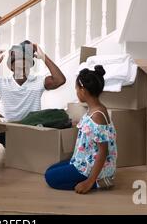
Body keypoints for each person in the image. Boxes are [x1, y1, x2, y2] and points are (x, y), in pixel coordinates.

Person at [0, 40, 66, 147]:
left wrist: (43, 57)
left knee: (57, 119)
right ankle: (20, 147)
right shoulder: (2, 83)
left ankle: (22, 147)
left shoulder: (38, 81)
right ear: (11, 67)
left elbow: (60, 80)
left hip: (32, 129)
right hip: (12, 130)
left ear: (30, 66)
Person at [44, 66, 117, 194]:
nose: (76, 92)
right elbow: (92, 131)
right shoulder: (96, 109)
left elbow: (103, 151)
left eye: (77, 89)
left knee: (50, 178)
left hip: (90, 167)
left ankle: (98, 182)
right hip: (83, 160)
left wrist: (89, 182)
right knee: (51, 170)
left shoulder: (97, 115)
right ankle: (86, 175)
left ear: (83, 90)